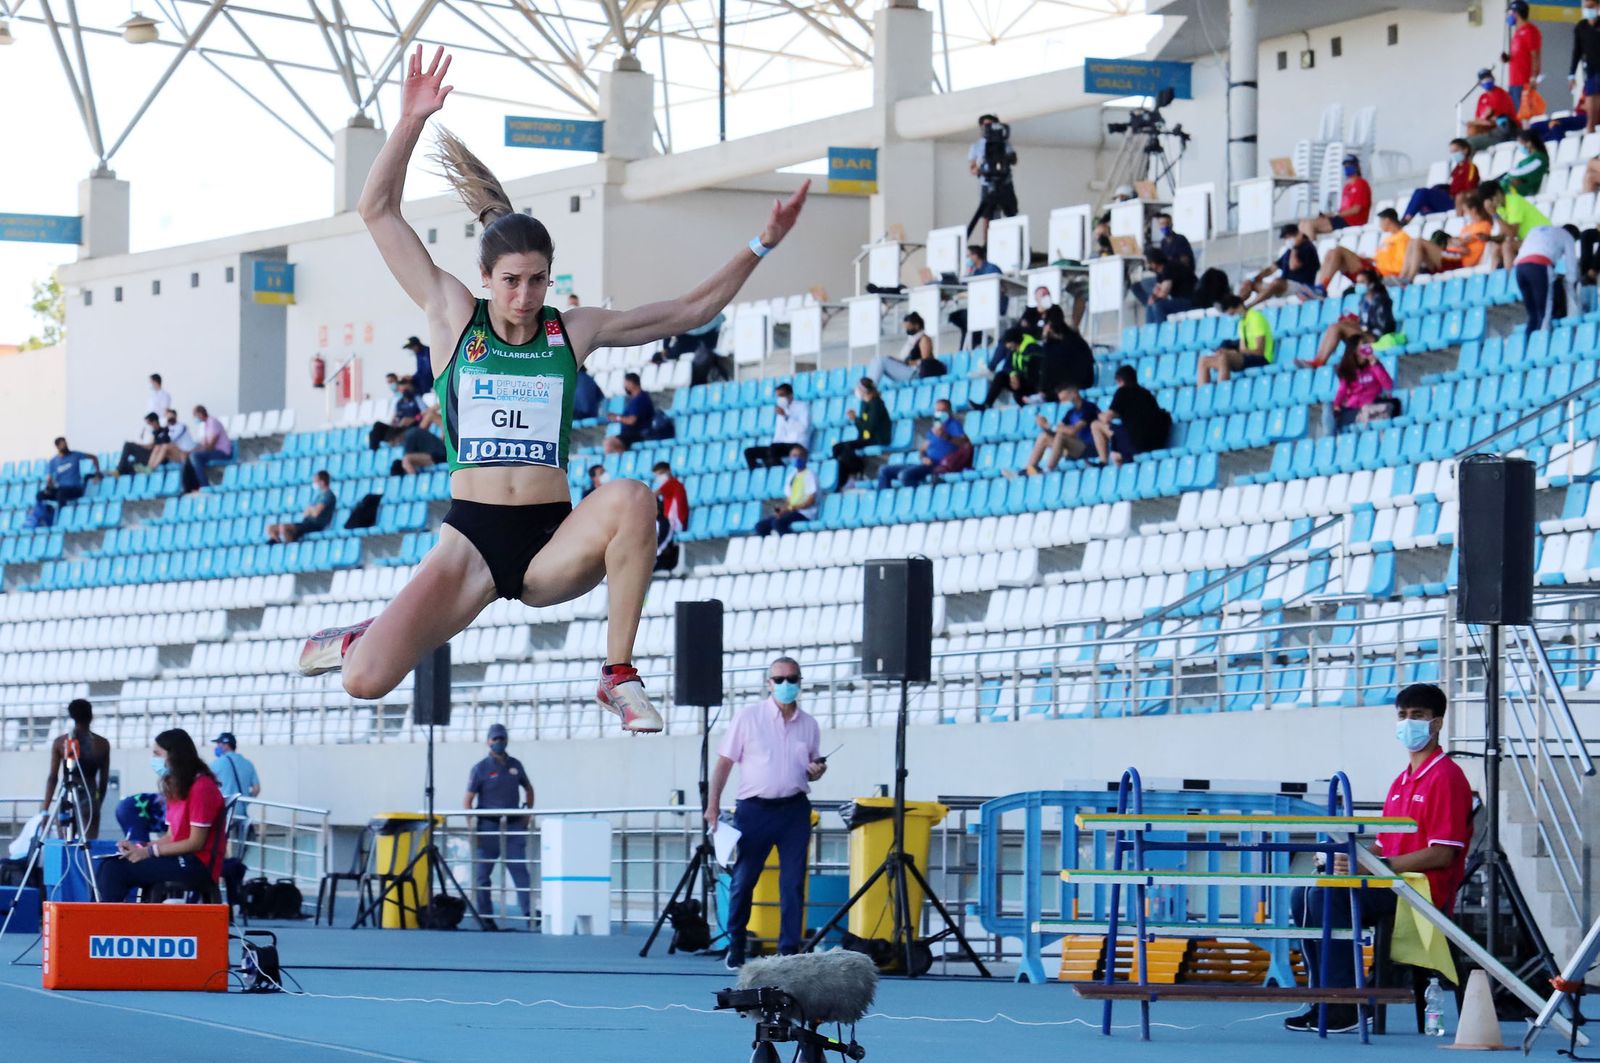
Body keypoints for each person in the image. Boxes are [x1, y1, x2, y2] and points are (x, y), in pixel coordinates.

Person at [297, 45, 810, 738]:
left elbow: (688, 312)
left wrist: (763, 243)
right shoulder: (454, 317)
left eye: (537, 279)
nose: (524, 294)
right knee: (364, 681)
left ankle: (618, 673)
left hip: (550, 541)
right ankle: (364, 633)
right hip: (471, 541)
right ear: (486, 278)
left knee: (632, 497)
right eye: (511, 280)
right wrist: (412, 121)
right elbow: (377, 209)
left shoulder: (572, 332)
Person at [1284, 684, 1472, 1033]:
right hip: (1391, 881)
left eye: (1417, 716)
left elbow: (1443, 853)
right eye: (1402, 715)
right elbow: (1384, 848)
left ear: (1437, 724)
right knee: (1306, 892)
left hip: (1422, 890)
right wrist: (1343, 858)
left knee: (1326, 895)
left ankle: (1347, 1005)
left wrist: (1375, 866)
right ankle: (1323, 998)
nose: (1407, 722)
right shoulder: (1401, 780)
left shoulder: (1446, 777)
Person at [706, 655, 825, 968]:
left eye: (793, 679)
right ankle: (737, 945)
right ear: (769, 684)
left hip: (794, 810)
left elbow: (812, 765)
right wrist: (713, 805)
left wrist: (816, 771)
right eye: (780, 679)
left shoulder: (809, 724)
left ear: (800, 682)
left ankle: (789, 952)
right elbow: (724, 762)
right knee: (744, 880)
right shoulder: (749, 717)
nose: (787, 685)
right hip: (754, 809)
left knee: (793, 883)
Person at [95, 729, 225, 902]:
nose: (154, 760)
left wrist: (149, 852)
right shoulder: (178, 787)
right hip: (180, 858)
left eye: (157, 754)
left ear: (174, 756)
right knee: (110, 864)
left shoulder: (202, 788)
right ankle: (104, 923)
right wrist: (140, 847)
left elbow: (196, 842)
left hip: (197, 865)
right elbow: (171, 836)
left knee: (115, 871)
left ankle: (105, 925)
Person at [466, 723, 534, 930]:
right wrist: (472, 829)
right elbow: (468, 800)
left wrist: (526, 817)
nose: (499, 742)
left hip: (512, 826)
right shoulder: (480, 768)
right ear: (488, 741)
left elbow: (529, 789)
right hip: (488, 827)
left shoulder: (515, 765)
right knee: (482, 874)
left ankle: (529, 913)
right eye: (495, 739)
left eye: (501, 739)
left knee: (520, 871)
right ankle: (486, 915)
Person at [1301, 269, 1401, 369]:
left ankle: (1320, 362)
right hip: (1366, 333)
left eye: (1362, 282)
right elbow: (1364, 321)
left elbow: (1384, 326)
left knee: (1337, 328)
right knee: (1334, 326)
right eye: (1357, 283)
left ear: (1371, 283)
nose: (1359, 285)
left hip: (1376, 337)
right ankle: (1318, 360)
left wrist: (1362, 327)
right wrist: (1354, 322)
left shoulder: (1382, 300)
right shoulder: (1363, 300)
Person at [43, 699, 110, 839]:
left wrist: (45, 809)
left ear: (72, 717)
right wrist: (98, 804)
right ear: (91, 716)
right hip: (90, 794)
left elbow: (52, 778)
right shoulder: (102, 744)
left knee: (65, 842)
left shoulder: (61, 742)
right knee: (89, 843)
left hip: (66, 793)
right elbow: (104, 780)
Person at [874, 397, 971, 488]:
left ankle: (923, 494)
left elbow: (964, 442)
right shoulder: (935, 427)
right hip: (926, 463)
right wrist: (924, 457)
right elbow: (923, 449)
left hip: (938, 465)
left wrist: (946, 436)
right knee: (884, 470)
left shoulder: (953, 424)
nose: (939, 413)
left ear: (949, 411)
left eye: (943, 411)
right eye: (937, 410)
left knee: (905, 475)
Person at [1399, 193, 1496, 283]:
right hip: (1453, 255)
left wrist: (1455, 241)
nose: (1465, 214)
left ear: (1473, 210)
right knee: (1413, 242)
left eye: (1465, 210)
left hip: (1460, 259)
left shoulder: (1484, 225)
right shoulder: (1467, 227)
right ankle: (1402, 277)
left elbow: (1464, 243)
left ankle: (1409, 278)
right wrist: (1455, 241)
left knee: (1418, 241)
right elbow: (1459, 241)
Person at [1091, 365, 1171, 466]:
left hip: (1138, 443)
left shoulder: (1122, 392)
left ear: (1120, 380)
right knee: (1119, 436)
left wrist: (1099, 415)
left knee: (1095, 425)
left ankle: (1103, 461)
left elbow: (1108, 418)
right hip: (1156, 443)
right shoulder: (1146, 394)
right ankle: (1119, 457)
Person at [1316, 208, 1411, 288]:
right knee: (1331, 252)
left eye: (1381, 221)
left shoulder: (1403, 238)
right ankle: (1321, 287)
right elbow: (1382, 258)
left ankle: (1322, 287)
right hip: (1374, 268)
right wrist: (1369, 259)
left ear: (1388, 220)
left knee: (1339, 251)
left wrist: (1379, 265)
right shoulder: (1388, 239)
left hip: (1380, 274)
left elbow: (1401, 264)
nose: (1380, 224)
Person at [1515, 224, 1580, 332]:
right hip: (1539, 266)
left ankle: (1528, 344)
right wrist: (1571, 284)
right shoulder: (1567, 236)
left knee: (1532, 316)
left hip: (1519, 268)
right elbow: (1571, 265)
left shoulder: (1535, 229)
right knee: (1544, 314)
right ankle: (1542, 343)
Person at [1197, 295, 1274, 385]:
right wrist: (1230, 351)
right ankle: (1202, 395)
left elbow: (1260, 351)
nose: (1232, 317)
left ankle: (1223, 391)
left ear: (1239, 306)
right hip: (1248, 357)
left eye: (1232, 314)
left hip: (1262, 358)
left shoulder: (1256, 318)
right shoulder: (1242, 322)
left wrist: (1232, 353)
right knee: (1204, 360)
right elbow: (1242, 349)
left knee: (1224, 357)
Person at [1024, 384, 1099, 475]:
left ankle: (1048, 470)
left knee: (1061, 436)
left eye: (1065, 399)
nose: (1063, 403)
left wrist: (1049, 426)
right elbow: (1056, 430)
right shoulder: (1070, 412)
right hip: (1072, 449)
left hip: (1088, 448)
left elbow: (1073, 431)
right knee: (1043, 436)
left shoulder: (1089, 408)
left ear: (1074, 394)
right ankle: (1029, 469)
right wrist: (1044, 426)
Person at [1401, 139, 1481, 223]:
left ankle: (1406, 219)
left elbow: (1471, 187)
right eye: (1452, 152)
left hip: (1455, 201)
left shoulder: (1471, 167)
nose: (1454, 155)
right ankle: (1408, 217)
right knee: (1419, 195)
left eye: (1456, 151)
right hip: (1449, 197)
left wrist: (1460, 198)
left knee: (1423, 192)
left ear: (1465, 150)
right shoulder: (1457, 169)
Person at [1325, 340, 1395, 436]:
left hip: (1369, 406)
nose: (1362, 353)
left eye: (1364, 349)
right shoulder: (1349, 370)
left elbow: (1388, 385)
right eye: (1359, 350)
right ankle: (1330, 439)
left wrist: (1374, 363)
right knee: (1328, 406)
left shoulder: (1374, 367)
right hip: (1353, 409)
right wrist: (1337, 405)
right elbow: (1342, 390)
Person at [1240, 225, 1321, 307]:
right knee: (1249, 283)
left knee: (1277, 282)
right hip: (1283, 286)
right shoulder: (1289, 251)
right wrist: (1256, 278)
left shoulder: (1307, 247)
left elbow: (1293, 266)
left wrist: (1295, 248)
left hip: (1301, 286)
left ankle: (1250, 306)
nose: (1286, 240)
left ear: (1297, 235)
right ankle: (1236, 305)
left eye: (1287, 237)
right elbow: (1272, 268)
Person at [966, 114, 1018, 239]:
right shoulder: (976, 146)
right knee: (987, 215)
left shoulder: (1004, 143)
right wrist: (980, 164)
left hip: (1005, 182)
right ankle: (987, 245)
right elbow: (972, 169)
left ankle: (1015, 240)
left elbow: (1014, 160)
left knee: (1011, 213)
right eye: (986, 125)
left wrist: (1005, 157)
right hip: (987, 183)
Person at [947, 244, 1007, 349]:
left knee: (966, 319)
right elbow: (967, 287)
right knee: (955, 317)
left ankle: (973, 342)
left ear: (975, 256)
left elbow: (997, 288)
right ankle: (978, 338)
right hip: (979, 305)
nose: (967, 259)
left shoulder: (991, 268)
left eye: (968, 256)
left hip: (991, 304)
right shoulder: (975, 271)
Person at [832, 378, 890, 483]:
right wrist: (856, 421)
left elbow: (869, 427)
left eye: (858, 388)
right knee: (837, 448)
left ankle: (858, 468)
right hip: (866, 438)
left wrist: (855, 419)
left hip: (877, 438)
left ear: (864, 391)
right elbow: (863, 428)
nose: (857, 391)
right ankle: (843, 480)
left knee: (847, 448)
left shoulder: (877, 404)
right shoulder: (864, 404)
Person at [1299, 155, 1372, 239]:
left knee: (1309, 224)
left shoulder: (1361, 184)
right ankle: (1306, 249)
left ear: (1356, 166)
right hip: (1342, 219)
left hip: (1352, 221)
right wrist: (1331, 214)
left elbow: (1356, 209)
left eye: (1349, 164)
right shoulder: (1347, 186)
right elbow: (1344, 209)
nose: (1347, 167)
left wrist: (1336, 215)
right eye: (1345, 165)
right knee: (1302, 224)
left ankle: (1311, 251)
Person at [744, 383, 812, 469]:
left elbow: (804, 428)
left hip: (798, 444)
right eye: (778, 396)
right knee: (749, 452)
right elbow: (779, 433)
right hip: (781, 446)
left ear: (790, 395)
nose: (780, 399)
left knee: (774, 450)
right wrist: (771, 448)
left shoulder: (802, 407)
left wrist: (786, 417)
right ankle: (759, 472)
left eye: (782, 395)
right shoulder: (781, 410)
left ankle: (780, 469)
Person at [754, 445, 818, 536]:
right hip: (792, 512)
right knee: (760, 526)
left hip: (805, 513)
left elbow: (811, 500)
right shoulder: (791, 476)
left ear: (805, 457)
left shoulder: (810, 475)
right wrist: (781, 511)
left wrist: (791, 508)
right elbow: (789, 500)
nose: (797, 458)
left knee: (778, 523)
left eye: (800, 455)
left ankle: (790, 545)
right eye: (794, 456)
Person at [972, 326, 1040, 410]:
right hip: (1020, 382)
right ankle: (987, 404)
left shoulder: (1032, 348)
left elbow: (1033, 371)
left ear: (1015, 341)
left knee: (1017, 395)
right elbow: (1007, 366)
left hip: (1034, 384)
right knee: (1000, 376)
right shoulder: (1014, 349)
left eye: (1009, 344)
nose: (1008, 348)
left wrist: (1017, 377)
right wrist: (1013, 374)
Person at [267, 470, 336, 543]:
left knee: (284, 528)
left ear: (322, 482)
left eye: (316, 481)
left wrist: (310, 510)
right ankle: (278, 542)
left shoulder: (328, 495)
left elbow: (316, 512)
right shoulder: (319, 496)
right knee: (271, 528)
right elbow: (307, 512)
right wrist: (311, 510)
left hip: (315, 525)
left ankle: (289, 546)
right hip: (306, 522)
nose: (314, 483)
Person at [1037, 308, 1095, 393]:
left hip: (1075, 384)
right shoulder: (1054, 344)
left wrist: (1045, 340)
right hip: (1063, 385)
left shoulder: (1073, 341)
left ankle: (1043, 394)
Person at [866, 312, 935, 384]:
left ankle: (869, 387)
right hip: (907, 369)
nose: (906, 330)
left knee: (881, 361)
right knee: (875, 360)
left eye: (908, 328)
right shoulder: (912, 340)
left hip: (915, 373)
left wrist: (907, 363)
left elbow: (926, 361)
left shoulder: (924, 339)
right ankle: (866, 384)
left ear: (917, 326)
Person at [182, 404, 233, 494]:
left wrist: (197, 451)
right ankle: (190, 487)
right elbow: (204, 445)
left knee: (195, 457)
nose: (195, 418)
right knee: (189, 458)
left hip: (222, 452)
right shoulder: (206, 425)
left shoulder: (213, 422)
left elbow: (210, 446)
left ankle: (204, 485)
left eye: (195, 416)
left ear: (200, 414)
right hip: (213, 452)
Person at [1504, 1, 1543, 113]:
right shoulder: (1517, 32)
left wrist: (1533, 77)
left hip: (1524, 82)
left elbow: (1535, 56)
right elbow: (1519, 55)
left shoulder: (1530, 31)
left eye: (1510, 13)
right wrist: (1507, 58)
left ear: (1516, 13)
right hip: (1514, 82)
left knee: (1524, 114)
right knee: (1515, 114)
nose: (1509, 16)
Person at [1466, 67, 1519, 148]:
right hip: (1485, 129)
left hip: (1502, 130)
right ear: (1479, 83)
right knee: (1470, 131)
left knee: (1470, 140)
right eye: (1484, 79)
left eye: (1488, 78)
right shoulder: (1482, 97)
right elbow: (1477, 118)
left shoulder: (1500, 94)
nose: (1487, 81)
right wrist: (1480, 121)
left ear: (1493, 79)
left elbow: (1497, 119)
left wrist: (1480, 121)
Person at [1140, 248, 1196, 324]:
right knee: (1150, 306)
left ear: (1153, 261)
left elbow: (1163, 293)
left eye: (1147, 262)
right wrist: (1152, 298)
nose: (1146, 265)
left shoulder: (1169, 267)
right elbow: (1156, 291)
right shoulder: (1160, 272)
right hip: (1180, 300)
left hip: (1191, 300)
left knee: (1159, 305)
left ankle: (1161, 333)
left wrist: (1154, 298)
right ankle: (1151, 333)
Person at [38, 437, 100, 505]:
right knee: (40, 495)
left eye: (65, 444)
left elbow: (94, 457)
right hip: (61, 489)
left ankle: (62, 513)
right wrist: (48, 489)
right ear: (57, 447)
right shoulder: (53, 461)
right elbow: (50, 479)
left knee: (61, 494)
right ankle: (43, 513)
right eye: (62, 445)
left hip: (75, 489)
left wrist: (97, 473)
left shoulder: (75, 455)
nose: (65, 446)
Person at [604, 372, 654, 454]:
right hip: (630, 434)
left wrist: (617, 418)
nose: (625, 386)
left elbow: (632, 420)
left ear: (631, 383)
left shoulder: (640, 399)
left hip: (639, 433)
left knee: (610, 443)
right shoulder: (634, 399)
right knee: (611, 443)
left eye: (626, 383)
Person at [1572, 0, 1600, 134]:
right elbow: (1576, 52)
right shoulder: (1581, 27)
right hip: (1590, 68)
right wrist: (1571, 74)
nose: (1588, 10)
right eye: (1585, 7)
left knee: (1597, 94)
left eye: (1591, 7)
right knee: (1590, 94)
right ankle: (1591, 126)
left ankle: (1592, 124)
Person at [370, 383, 423, 450]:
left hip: (411, 425)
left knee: (393, 431)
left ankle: (391, 441)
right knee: (376, 426)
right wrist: (394, 421)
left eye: (405, 390)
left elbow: (424, 412)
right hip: (398, 426)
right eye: (402, 390)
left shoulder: (416, 399)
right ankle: (374, 451)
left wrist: (414, 419)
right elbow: (395, 416)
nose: (404, 392)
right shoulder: (399, 402)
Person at [1502, 129, 1550, 198]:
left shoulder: (1540, 158)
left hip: (1525, 190)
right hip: (1514, 186)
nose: (1520, 146)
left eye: (1521, 143)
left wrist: (1510, 177)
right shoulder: (1531, 158)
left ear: (1529, 143)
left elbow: (1522, 172)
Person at [653, 461, 689, 533]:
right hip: (674, 522)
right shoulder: (673, 483)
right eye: (657, 475)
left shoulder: (672, 483)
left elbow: (652, 494)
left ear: (668, 471)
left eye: (661, 473)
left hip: (676, 522)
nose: (659, 476)